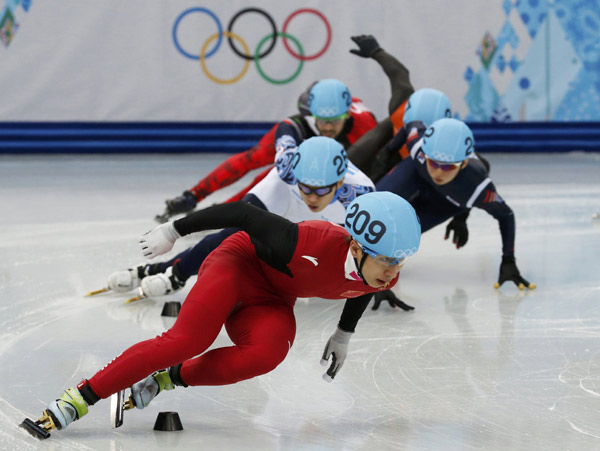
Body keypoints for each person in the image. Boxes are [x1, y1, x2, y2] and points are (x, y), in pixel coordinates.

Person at [21, 191, 421, 439]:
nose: (393, 271)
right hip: (237, 264)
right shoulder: (303, 241)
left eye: (401, 261)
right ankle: (78, 398)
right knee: (187, 341)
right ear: (356, 247)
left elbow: (363, 290)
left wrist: (343, 335)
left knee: (267, 354)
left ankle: (167, 379)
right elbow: (244, 214)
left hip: (273, 297)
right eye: (387, 259)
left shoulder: (380, 274)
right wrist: (175, 230)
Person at [106, 136, 376, 301]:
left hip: (322, 226)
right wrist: (173, 231)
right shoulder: (287, 171)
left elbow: (370, 250)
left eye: (320, 190)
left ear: (340, 181)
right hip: (282, 195)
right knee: (232, 234)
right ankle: (167, 271)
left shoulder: (362, 196)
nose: (312, 198)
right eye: (306, 187)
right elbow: (234, 213)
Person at [156, 79, 377, 223]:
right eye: (322, 120)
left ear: (347, 115)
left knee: (271, 180)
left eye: (334, 121)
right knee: (258, 159)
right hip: (304, 132)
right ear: (311, 112)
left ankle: (224, 210)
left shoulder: (366, 125)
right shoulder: (305, 119)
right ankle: (192, 196)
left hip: (332, 148)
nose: (328, 127)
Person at [375, 117, 535, 290]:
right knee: (375, 203)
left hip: (444, 202)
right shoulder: (419, 148)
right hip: (417, 173)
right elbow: (411, 124)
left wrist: (508, 259)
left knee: (398, 237)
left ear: (464, 163)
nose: (438, 172)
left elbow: (506, 215)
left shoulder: (478, 188)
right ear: (426, 155)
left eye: (447, 167)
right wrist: (388, 151)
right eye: (434, 162)